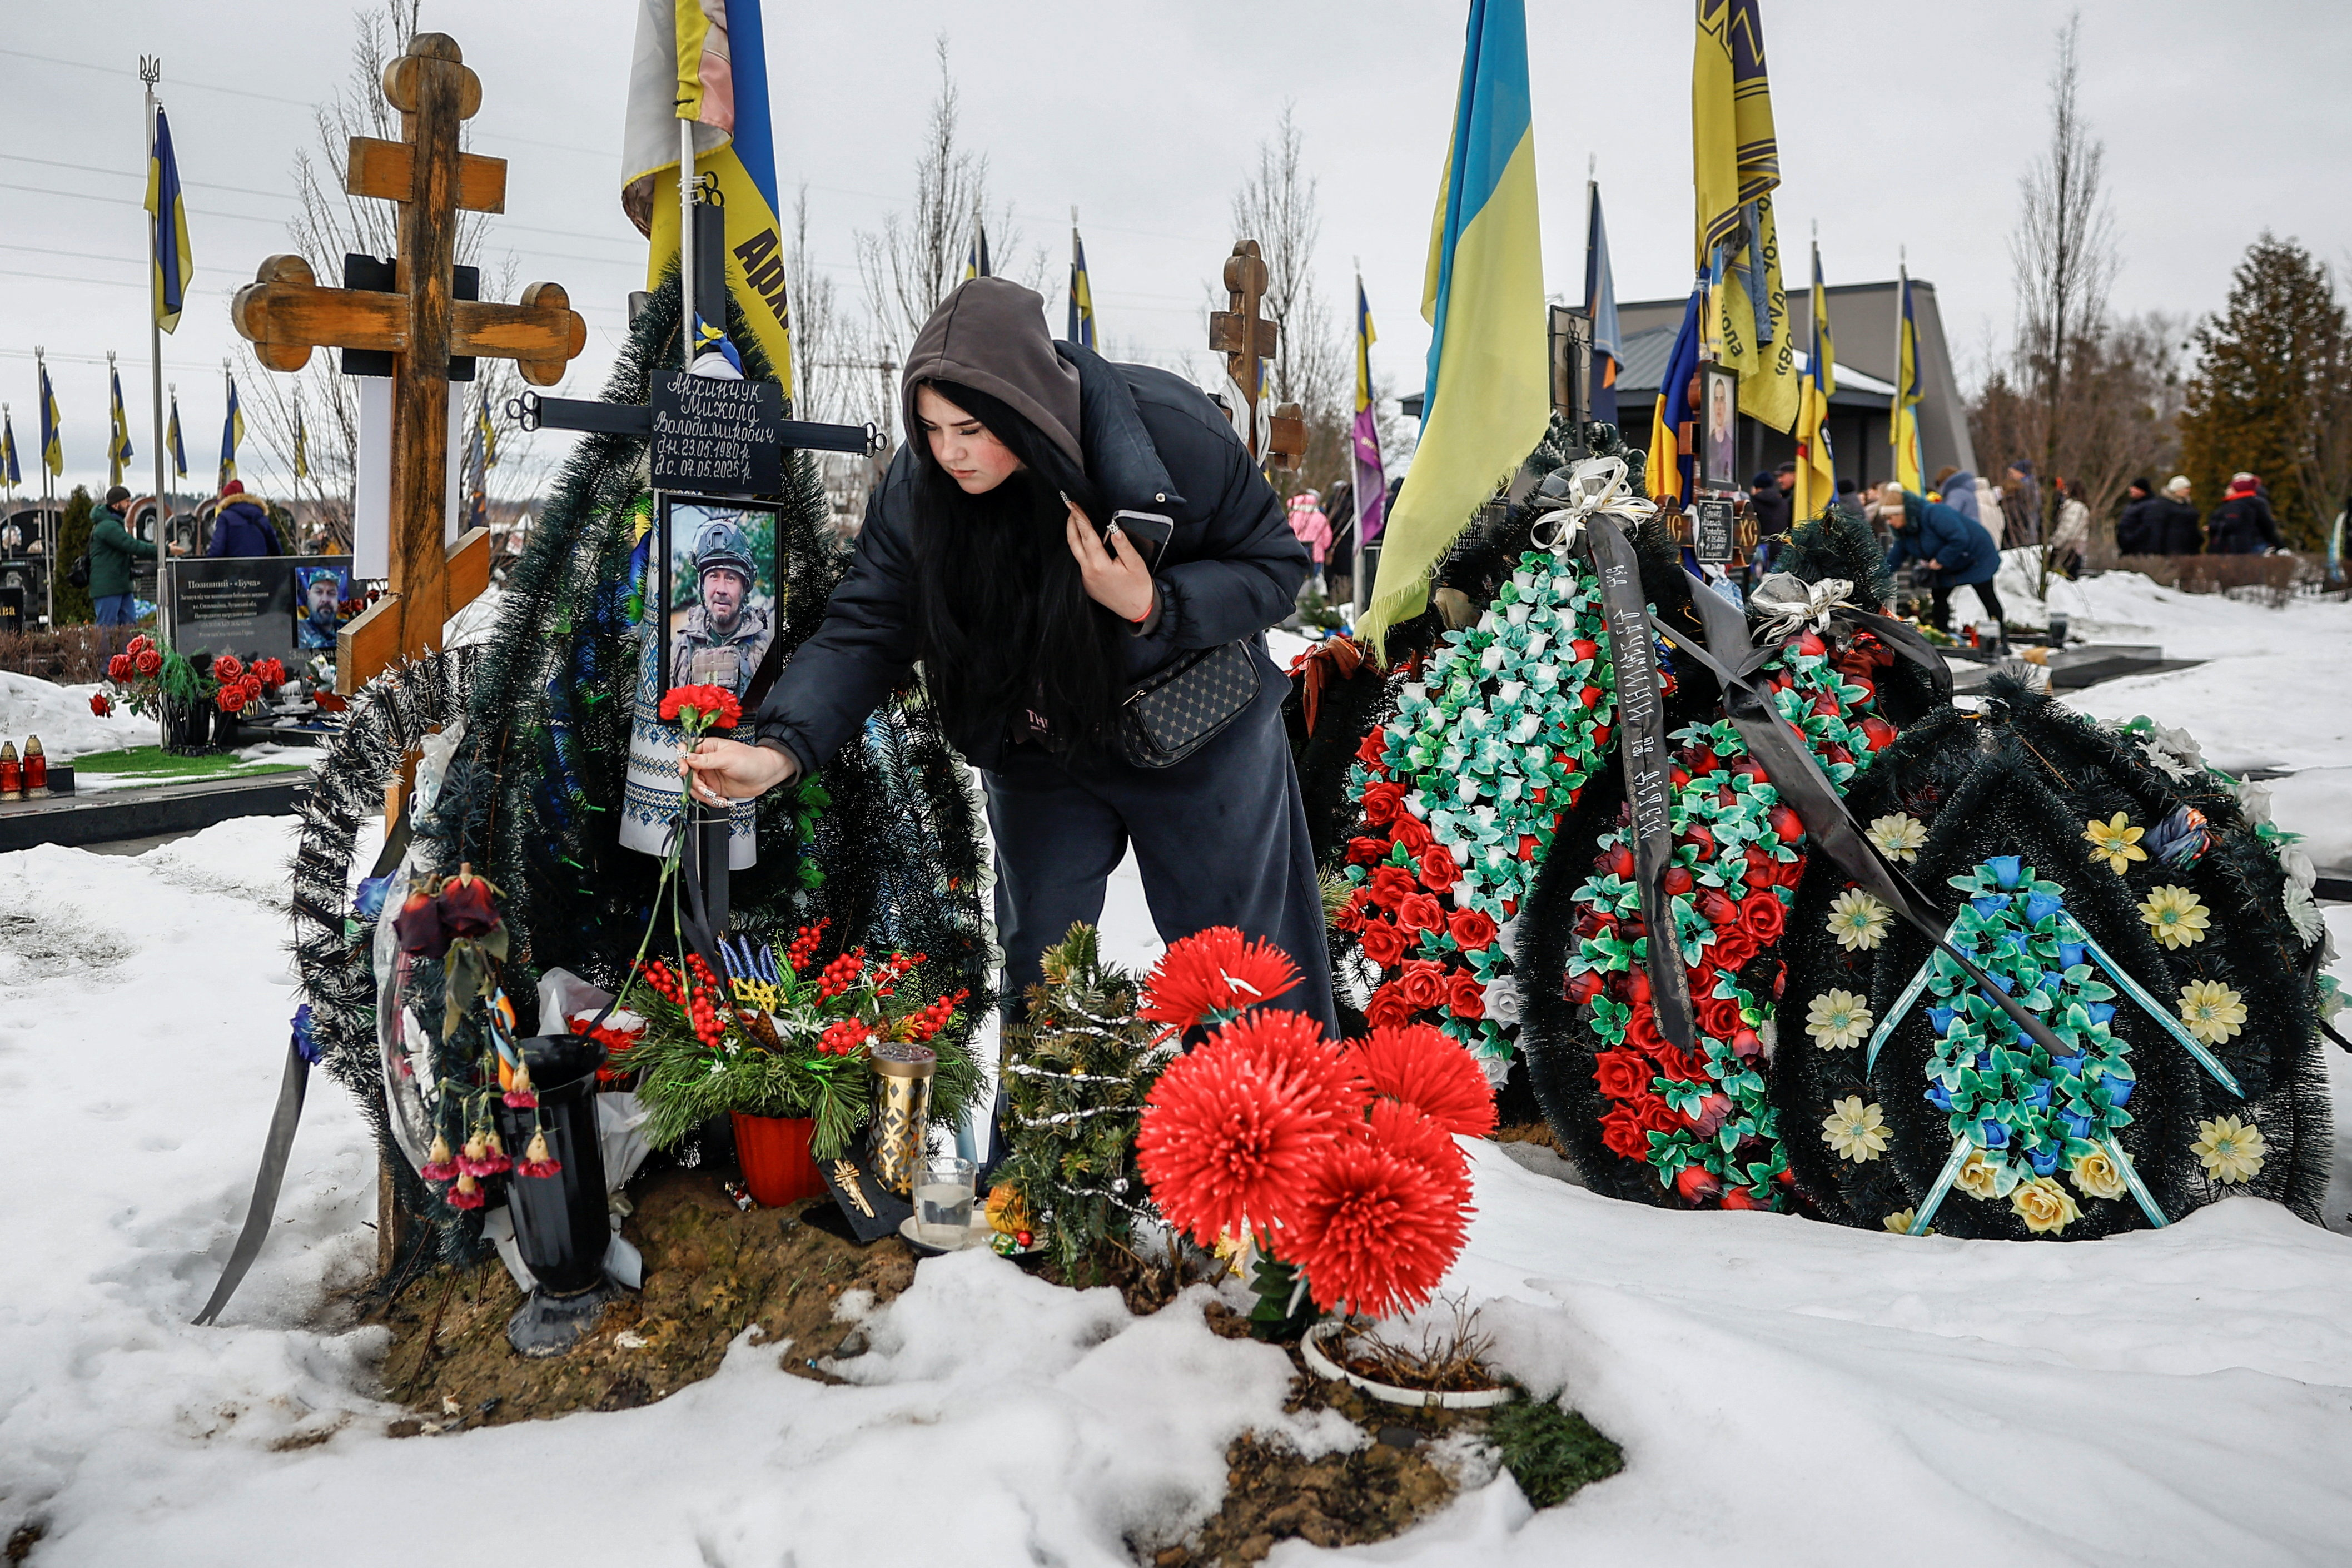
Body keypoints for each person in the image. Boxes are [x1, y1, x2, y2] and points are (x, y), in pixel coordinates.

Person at [678, 277, 1335, 1066]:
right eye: (928, 428)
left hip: (1195, 733)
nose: (948, 452)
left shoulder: (1170, 433)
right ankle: (1036, 1149)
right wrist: (780, 748)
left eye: (969, 429)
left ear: (1028, 409)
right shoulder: (918, 487)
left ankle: (1263, 1140)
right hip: (1038, 742)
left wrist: (1152, 603)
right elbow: (867, 625)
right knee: (1039, 977)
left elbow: (1273, 568)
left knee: (1237, 978)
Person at [1881, 481, 2005, 632]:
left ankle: (2000, 634)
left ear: (1902, 513)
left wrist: (1941, 559)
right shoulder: (1905, 533)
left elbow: (1959, 538)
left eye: (1890, 518)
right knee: (1939, 596)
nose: (1889, 523)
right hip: (1949, 564)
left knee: (1986, 595)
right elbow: (1894, 558)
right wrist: (1877, 577)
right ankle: (1943, 634)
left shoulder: (1935, 513)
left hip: (1976, 557)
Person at [668, 517, 774, 691]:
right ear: (702, 585)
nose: (721, 589)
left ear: (745, 587)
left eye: (731, 578)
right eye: (714, 576)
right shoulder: (682, 647)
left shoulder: (764, 646)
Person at [88, 485, 142, 651]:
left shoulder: (115, 524)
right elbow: (131, 545)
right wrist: (164, 550)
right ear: (116, 504)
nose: (129, 505)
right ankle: (103, 663)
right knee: (106, 627)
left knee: (129, 625)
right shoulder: (108, 527)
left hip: (121, 583)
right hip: (108, 586)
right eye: (126, 501)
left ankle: (126, 661)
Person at [2205, 472, 2284, 555]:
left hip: (2244, 544)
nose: (2227, 490)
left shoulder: (2237, 505)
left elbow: (2232, 524)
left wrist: (2215, 526)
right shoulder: (2251, 501)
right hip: (2252, 542)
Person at [207, 480, 280, 557]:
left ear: (226, 499)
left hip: (233, 564)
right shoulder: (261, 516)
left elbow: (217, 549)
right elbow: (276, 549)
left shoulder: (225, 517)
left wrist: (209, 563)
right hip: (259, 564)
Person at [2048, 476, 2090, 577]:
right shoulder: (2081, 507)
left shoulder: (2075, 507)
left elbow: (2067, 528)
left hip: (2069, 548)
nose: (2064, 491)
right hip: (2076, 548)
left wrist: (2055, 544)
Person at [296, 567, 345, 649]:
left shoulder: (346, 628)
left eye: (331, 593)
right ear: (308, 595)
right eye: (319, 592)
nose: (325, 600)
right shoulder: (299, 630)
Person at [2000, 460, 2040, 547]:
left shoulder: (2025, 489)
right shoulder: (2033, 486)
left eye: (2012, 473)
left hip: (2028, 533)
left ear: (2021, 473)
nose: (2009, 476)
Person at [2115, 478, 2156, 554]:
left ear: (2142, 490)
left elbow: (2146, 527)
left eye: (2135, 488)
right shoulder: (2132, 505)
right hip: (2127, 547)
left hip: (2139, 549)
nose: (2131, 490)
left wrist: (2131, 539)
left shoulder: (2150, 506)